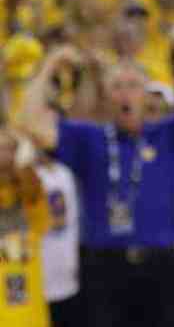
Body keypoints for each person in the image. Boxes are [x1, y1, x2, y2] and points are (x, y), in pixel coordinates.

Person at [16, 45, 174, 327]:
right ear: (106, 97)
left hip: (161, 268)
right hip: (105, 270)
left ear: (145, 94)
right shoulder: (88, 137)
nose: (126, 94)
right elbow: (31, 121)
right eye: (117, 86)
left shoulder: (168, 133)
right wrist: (51, 64)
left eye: (133, 85)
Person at [0, 127, 51, 327]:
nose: (4, 155)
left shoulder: (30, 189)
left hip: (28, 303)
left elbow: (35, 199)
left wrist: (24, 165)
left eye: (9, 148)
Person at [36, 140, 81, 327]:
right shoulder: (23, 176)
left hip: (66, 271)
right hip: (35, 275)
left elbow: (72, 221)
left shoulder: (65, 173)